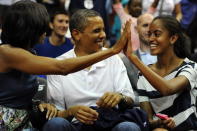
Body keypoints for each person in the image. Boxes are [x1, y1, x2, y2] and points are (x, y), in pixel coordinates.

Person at [0, 1, 129, 130]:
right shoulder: (6, 52)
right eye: (43, 26)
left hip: (24, 121)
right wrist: (113, 50)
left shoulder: (28, 52)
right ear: (31, 28)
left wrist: (40, 104)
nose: (46, 31)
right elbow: (62, 67)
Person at [46, 9, 142, 131]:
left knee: (129, 127)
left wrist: (119, 97)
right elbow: (56, 111)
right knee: (56, 124)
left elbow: (129, 99)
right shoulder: (59, 63)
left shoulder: (114, 59)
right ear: (76, 34)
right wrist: (72, 111)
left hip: (110, 123)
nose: (103, 35)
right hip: (75, 125)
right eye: (97, 31)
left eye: (103, 30)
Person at [124, 15, 197, 130]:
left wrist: (133, 58)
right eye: (149, 34)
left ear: (173, 38)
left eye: (157, 34)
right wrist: (160, 123)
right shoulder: (143, 75)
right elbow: (148, 121)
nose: (151, 39)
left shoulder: (190, 67)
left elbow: (167, 89)